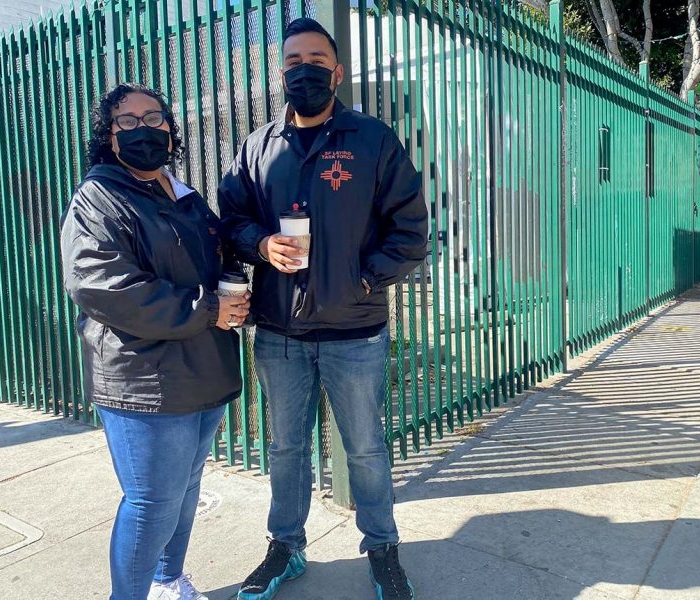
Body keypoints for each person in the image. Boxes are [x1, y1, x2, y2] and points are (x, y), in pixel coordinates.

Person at [218, 18, 427, 600]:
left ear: (336, 72)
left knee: (365, 448)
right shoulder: (257, 147)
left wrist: (361, 280)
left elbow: (410, 231)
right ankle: (285, 547)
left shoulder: (372, 140)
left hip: (355, 330)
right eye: (293, 61)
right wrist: (261, 244)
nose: (303, 70)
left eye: (316, 60)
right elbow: (229, 221)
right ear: (280, 72)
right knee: (286, 449)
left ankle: (382, 550)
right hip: (279, 332)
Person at [60, 83, 249, 600]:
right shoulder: (99, 198)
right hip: (143, 380)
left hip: (201, 368)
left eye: (154, 117)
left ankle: (167, 581)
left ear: (169, 127)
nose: (143, 128)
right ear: (108, 135)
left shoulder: (180, 193)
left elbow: (213, 255)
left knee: (185, 490)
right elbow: (101, 285)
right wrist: (207, 309)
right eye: (127, 120)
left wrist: (235, 287)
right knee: (151, 505)